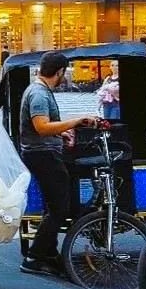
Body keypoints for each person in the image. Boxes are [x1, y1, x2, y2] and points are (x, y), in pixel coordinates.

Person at [19, 51, 97, 277]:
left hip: (43, 152)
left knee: (53, 207)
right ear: (60, 71)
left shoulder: (39, 90)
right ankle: (34, 258)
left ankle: (49, 254)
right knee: (59, 209)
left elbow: (42, 128)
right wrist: (77, 120)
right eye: (65, 73)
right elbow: (42, 127)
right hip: (43, 155)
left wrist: (61, 133)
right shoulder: (39, 94)